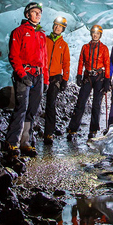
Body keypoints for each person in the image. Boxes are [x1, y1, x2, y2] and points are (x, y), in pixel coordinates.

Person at [6, 2, 49, 157]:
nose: (38, 14)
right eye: (35, 12)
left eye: (40, 12)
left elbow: (44, 59)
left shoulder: (42, 34)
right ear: (27, 14)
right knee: (21, 108)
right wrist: (21, 74)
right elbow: (13, 55)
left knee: (32, 110)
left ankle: (25, 142)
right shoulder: (19, 32)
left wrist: (46, 80)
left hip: (38, 75)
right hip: (24, 73)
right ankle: (12, 142)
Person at [67, 24, 110, 140]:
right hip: (88, 77)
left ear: (100, 35)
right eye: (93, 33)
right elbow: (81, 61)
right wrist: (79, 75)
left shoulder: (104, 48)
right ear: (91, 34)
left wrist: (107, 79)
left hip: (99, 77)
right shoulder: (85, 47)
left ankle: (93, 130)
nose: (95, 35)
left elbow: (107, 64)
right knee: (80, 103)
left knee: (96, 104)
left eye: (97, 33)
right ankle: (73, 129)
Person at [43, 16, 70, 145]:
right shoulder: (45, 40)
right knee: (34, 102)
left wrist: (65, 79)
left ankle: (48, 133)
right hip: (42, 75)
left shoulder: (63, 45)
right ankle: (28, 133)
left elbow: (66, 63)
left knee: (50, 105)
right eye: (56, 25)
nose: (57, 27)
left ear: (63, 29)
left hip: (55, 77)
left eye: (60, 26)